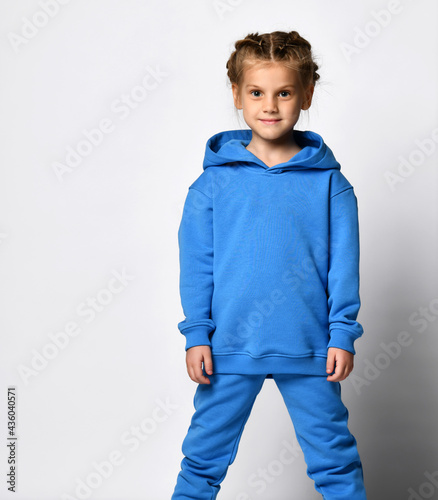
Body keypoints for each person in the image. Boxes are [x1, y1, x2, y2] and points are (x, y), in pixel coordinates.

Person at [171, 30, 367, 500]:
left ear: (307, 95)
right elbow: (197, 265)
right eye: (257, 92)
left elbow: (345, 266)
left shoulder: (330, 186)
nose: (270, 105)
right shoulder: (211, 187)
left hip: (311, 347)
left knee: (335, 460)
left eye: (284, 93)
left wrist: (342, 334)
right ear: (237, 94)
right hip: (228, 348)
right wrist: (197, 333)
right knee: (202, 460)